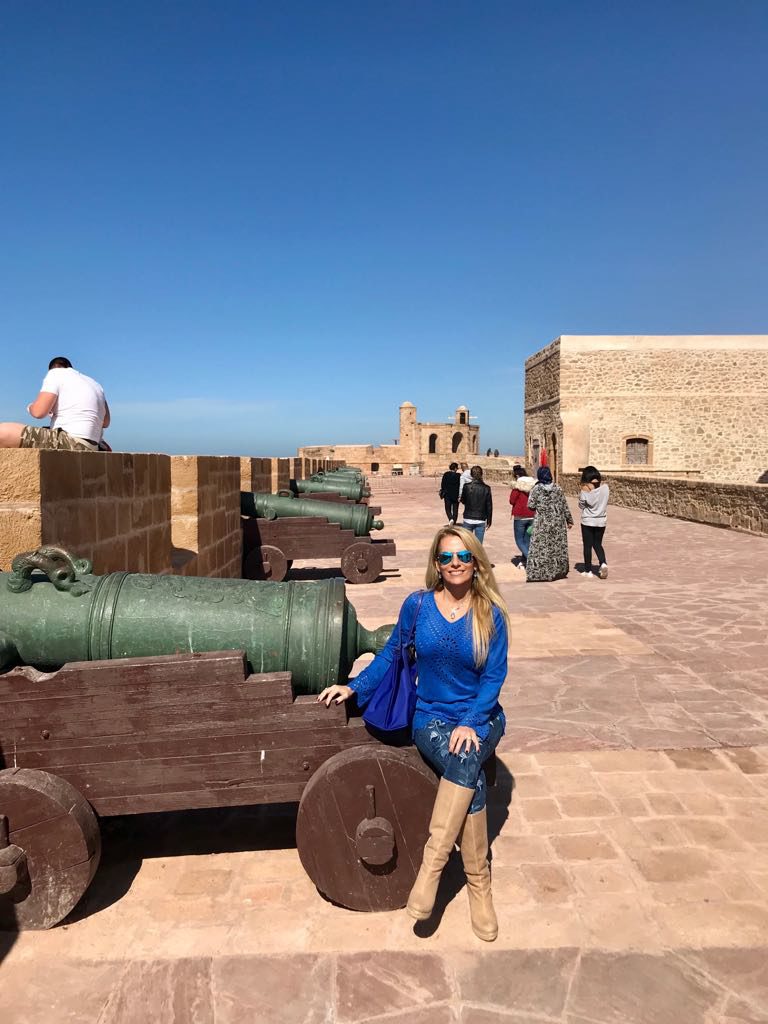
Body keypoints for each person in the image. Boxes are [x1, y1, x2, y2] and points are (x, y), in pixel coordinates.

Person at [317, 526, 509, 941]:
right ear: (436, 565)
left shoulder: (491, 613)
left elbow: (493, 678)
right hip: (431, 718)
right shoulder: (418, 606)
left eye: (462, 556)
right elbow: (391, 655)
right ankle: (478, 884)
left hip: (480, 716)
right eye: (446, 558)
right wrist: (355, 686)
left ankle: (437, 870)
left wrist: (472, 722)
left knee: (465, 758)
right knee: (469, 771)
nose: (455, 563)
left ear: (475, 563)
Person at [0, 357, 110, 452]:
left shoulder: (55, 373)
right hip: (93, 445)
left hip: (71, 443)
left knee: (2, 432)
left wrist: (30, 407)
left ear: (52, 369)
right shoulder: (94, 383)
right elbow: (105, 422)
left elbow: (39, 412)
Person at [525, 466, 573, 582]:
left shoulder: (536, 489)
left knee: (541, 548)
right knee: (555, 548)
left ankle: (540, 574)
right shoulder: (558, 488)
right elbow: (564, 505)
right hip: (557, 523)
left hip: (542, 523)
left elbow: (530, 506)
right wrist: (569, 520)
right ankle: (556, 572)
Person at [578, 466, 609, 579]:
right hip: (601, 521)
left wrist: (585, 491)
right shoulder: (605, 488)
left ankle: (588, 570)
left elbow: (581, 505)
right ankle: (603, 563)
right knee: (597, 544)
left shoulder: (584, 491)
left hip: (588, 521)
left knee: (587, 546)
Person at [508, 465, 536, 568]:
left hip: (520, 517)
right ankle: (524, 561)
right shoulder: (534, 486)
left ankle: (531, 559)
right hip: (532, 515)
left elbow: (512, 501)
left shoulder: (518, 486)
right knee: (527, 540)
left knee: (519, 540)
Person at [460, 465, 492, 543]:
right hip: (481, 519)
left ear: (471, 474)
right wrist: (489, 520)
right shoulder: (486, 488)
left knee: (467, 544)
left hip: (468, 517)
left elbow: (463, 500)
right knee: (478, 546)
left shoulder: (466, 486)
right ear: (481, 474)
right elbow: (489, 506)